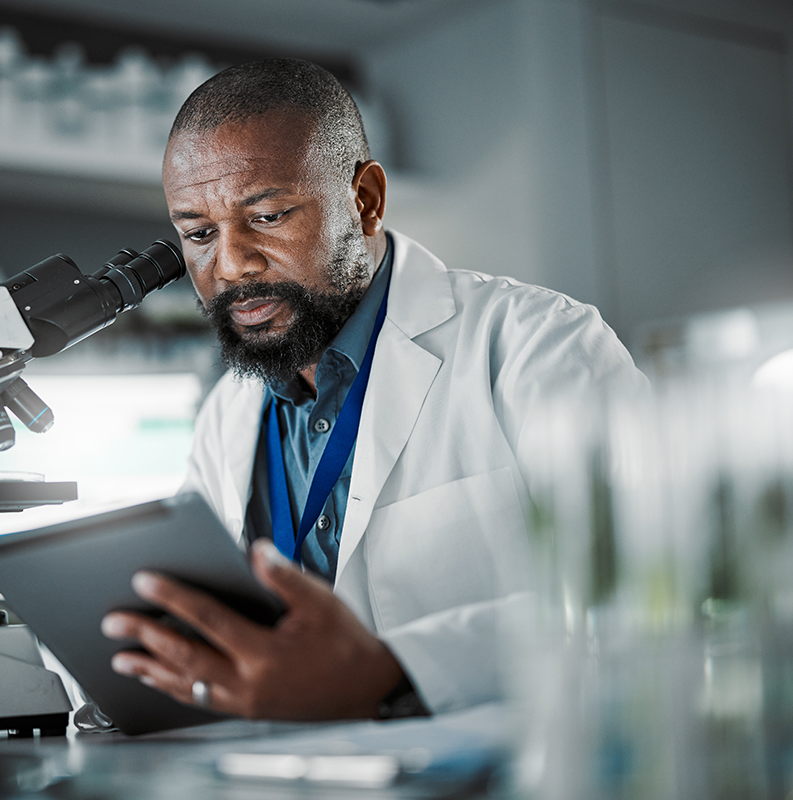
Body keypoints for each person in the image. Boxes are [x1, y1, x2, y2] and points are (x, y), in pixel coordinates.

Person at [100, 59, 646, 721]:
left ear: (366, 201)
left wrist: (393, 670)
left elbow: (646, 587)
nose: (232, 263)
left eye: (268, 216)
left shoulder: (538, 345)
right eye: (199, 234)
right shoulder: (229, 414)